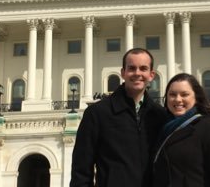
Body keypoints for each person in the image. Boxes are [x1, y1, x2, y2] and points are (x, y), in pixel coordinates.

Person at [70, 47, 167, 187]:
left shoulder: (160, 115)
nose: (137, 73)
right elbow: (81, 170)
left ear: (151, 75)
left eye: (143, 68)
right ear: (123, 73)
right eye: (132, 68)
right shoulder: (97, 113)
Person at [153, 73, 210, 187]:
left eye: (184, 94)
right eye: (172, 94)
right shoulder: (163, 128)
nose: (177, 99)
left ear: (196, 97)